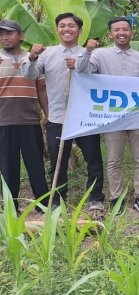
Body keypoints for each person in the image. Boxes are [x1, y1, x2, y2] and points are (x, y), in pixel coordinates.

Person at [22, 13, 105, 209]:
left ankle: (95, 198)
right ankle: (58, 199)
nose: (66, 29)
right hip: (58, 117)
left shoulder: (89, 53)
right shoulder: (47, 54)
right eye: (62, 25)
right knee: (57, 161)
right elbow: (30, 75)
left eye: (71, 26)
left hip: (85, 117)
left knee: (93, 158)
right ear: (57, 29)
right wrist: (32, 57)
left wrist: (82, 57)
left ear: (80, 30)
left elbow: (87, 71)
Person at [76, 17, 139, 213]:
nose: (121, 33)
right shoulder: (100, 55)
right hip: (111, 118)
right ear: (110, 34)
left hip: (137, 117)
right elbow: (82, 70)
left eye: (125, 29)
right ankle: (116, 197)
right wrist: (87, 51)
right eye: (116, 29)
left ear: (131, 33)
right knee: (114, 160)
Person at [0, 20, 49, 211]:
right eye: (2, 34)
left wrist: (48, 115)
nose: (5, 37)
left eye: (9, 33)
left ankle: (43, 204)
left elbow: (42, 90)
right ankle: (12, 206)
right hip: (3, 122)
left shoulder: (34, 58)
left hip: (30, 121)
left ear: (21, 36)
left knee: (35, 164)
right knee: (8, 167)